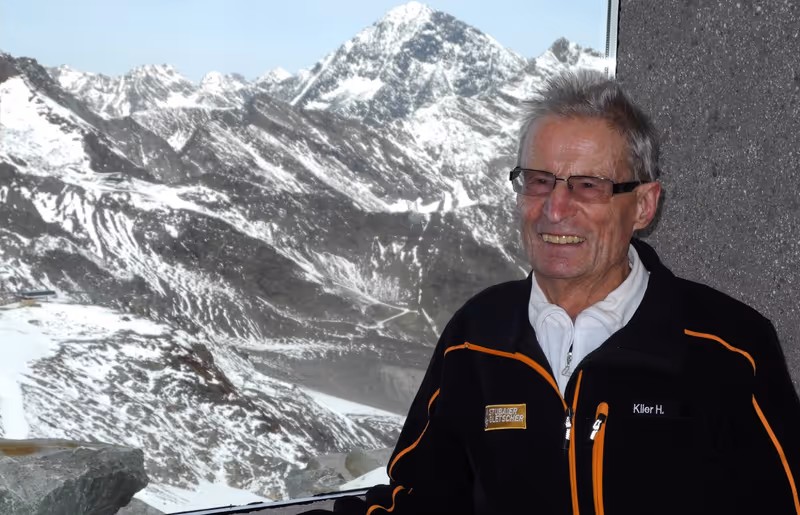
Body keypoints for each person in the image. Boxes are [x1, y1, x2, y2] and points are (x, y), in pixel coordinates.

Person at [305, 70, 800, 514]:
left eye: (588, 186)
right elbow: (421, 501)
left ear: (644, 206)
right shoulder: (476, 338)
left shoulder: (728, 347)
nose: (555, 209)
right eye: (539, 181)